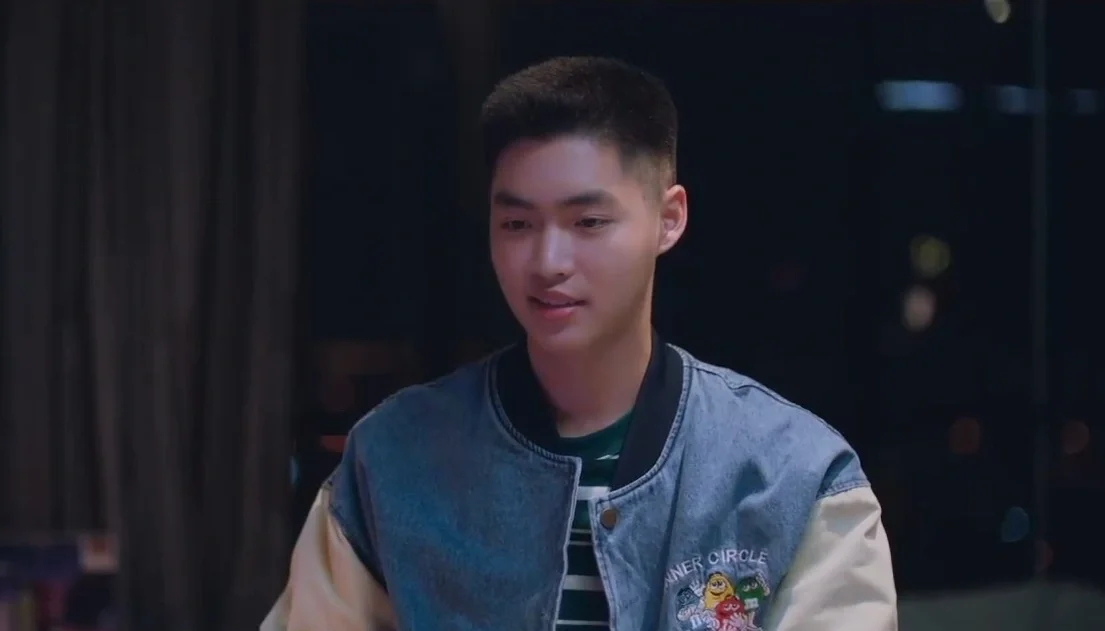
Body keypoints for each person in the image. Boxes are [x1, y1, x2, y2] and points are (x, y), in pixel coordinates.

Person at [262, 56, 897, 631]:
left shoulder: (794, 473)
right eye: (517, 223)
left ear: (668, 219)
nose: (548, 262)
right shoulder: (391, 459)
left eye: (588, 222)